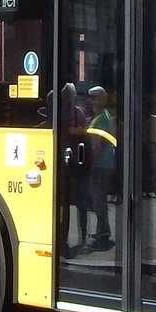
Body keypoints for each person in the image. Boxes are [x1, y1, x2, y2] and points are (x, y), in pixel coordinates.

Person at [54, 83, 91, 254]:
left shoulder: (58, 112)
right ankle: (82, 236)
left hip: (64, 164)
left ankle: (63, 237)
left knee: (65, 203)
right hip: (78, 162)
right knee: (78, 202)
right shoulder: (79, 113)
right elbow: (86, 133)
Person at [86, 86, 117, 252]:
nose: (90, 101)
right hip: (105, 164)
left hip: (100, 165)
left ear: (99, 100)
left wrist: (90, 163)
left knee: (98, 199)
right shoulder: (102, 116)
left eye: (92, 98)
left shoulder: (101, 119)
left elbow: (97, 145)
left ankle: (103, 231)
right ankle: (101, 230)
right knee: (99, 199)